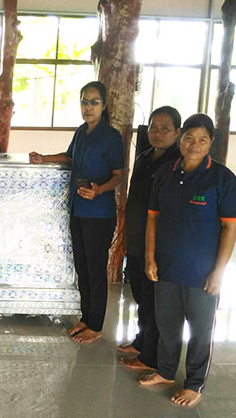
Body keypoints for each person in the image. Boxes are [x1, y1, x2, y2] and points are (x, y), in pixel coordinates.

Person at [139, 114, 236, 407]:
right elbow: (152, 218)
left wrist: (219, 272)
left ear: (211, 142)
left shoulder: (221, 178)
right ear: (181, 138)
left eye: (202, 140)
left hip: (202, 272)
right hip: (167, 266)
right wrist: (150, 257)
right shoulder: (166, 173)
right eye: (189, 138)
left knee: (200, 331)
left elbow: (230, 228)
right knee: (167, 325)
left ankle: (195, 384)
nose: (195, 145)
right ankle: (166, 372)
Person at [29, 81, 124, 344]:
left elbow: (119, 174)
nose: (88, 107)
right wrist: (44, 158)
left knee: (95, 268)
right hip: (78, 209)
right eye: (84, 101)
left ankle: (96, 325)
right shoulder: (81, 132)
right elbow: (70, 157)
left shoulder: (111, 137)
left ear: (104, 105)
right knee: (82, 266)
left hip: (99, 213)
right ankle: (86, 316)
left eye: (94, 102)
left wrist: (99, 189)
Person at [117, 106, 182, 371]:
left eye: (165, 129)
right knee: (141, 296)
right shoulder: (144, 157)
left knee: (155, 301)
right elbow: (134, 199)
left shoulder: (177, 163)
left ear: (177, 133)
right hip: (136, 240)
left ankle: (151, 357)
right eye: (154, 127)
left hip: (157, 245)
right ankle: (141, 341)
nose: (158, 133)